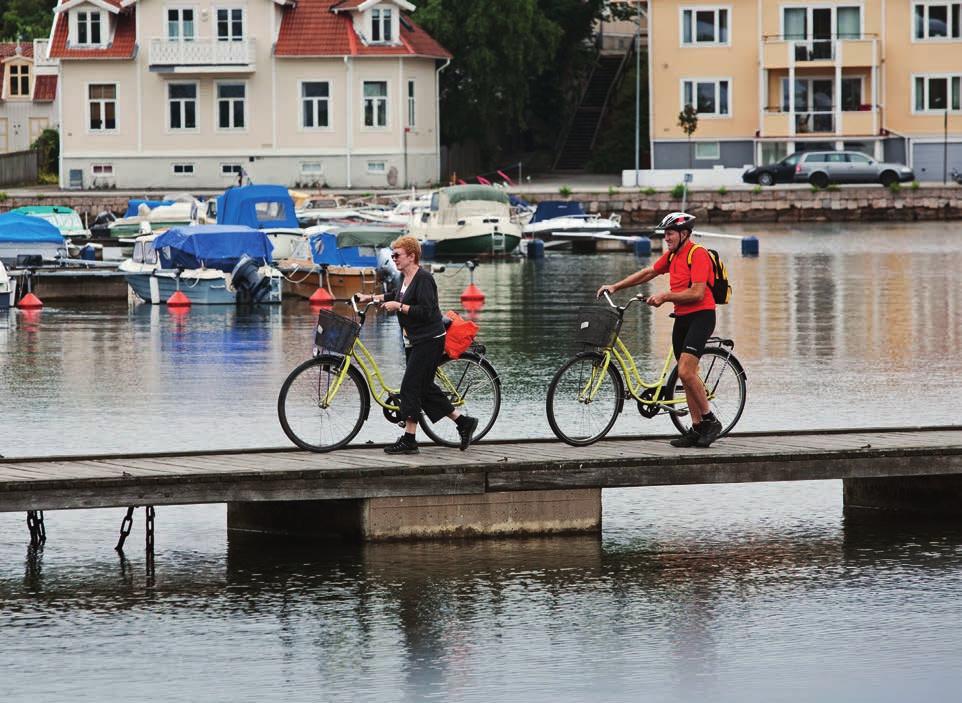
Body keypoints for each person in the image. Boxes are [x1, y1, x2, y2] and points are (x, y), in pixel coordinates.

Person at [596, 211, 723, 448]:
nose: (666, 238)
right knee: (686, 377)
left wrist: (665, 296)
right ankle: (696, 428)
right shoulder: (673, 256)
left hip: (702, 316)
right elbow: (648, 272)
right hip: (682, 318)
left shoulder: (698, 255)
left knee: (685, 372)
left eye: (670, 233)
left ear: (684, 234)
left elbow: (697, 293)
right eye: (665, 234)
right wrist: (615, 286)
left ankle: (710, 420)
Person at [357, 235, 478, 455]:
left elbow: (428, 311)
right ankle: (463, 422)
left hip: (429, 340)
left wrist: (399, 307)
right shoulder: (405, 278)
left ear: (411, 256)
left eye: (397, 255)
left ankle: (410, 440)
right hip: (413, 340)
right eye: (392, 255)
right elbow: (396, 295)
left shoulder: (424, 279)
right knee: (423, 388)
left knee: (410, 387)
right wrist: (370, 298)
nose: (394, 259)